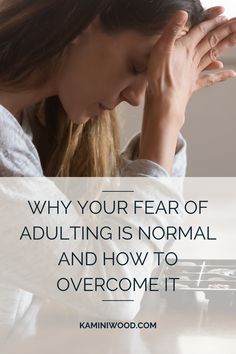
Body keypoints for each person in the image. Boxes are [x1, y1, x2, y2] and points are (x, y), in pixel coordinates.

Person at [0, 0, 236, 343]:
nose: (139, 98)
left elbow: (143, 253)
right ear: (81, 24)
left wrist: (166, 130)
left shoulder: (31, 126)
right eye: (139, 65)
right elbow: (112, 288)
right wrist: (164, 121)